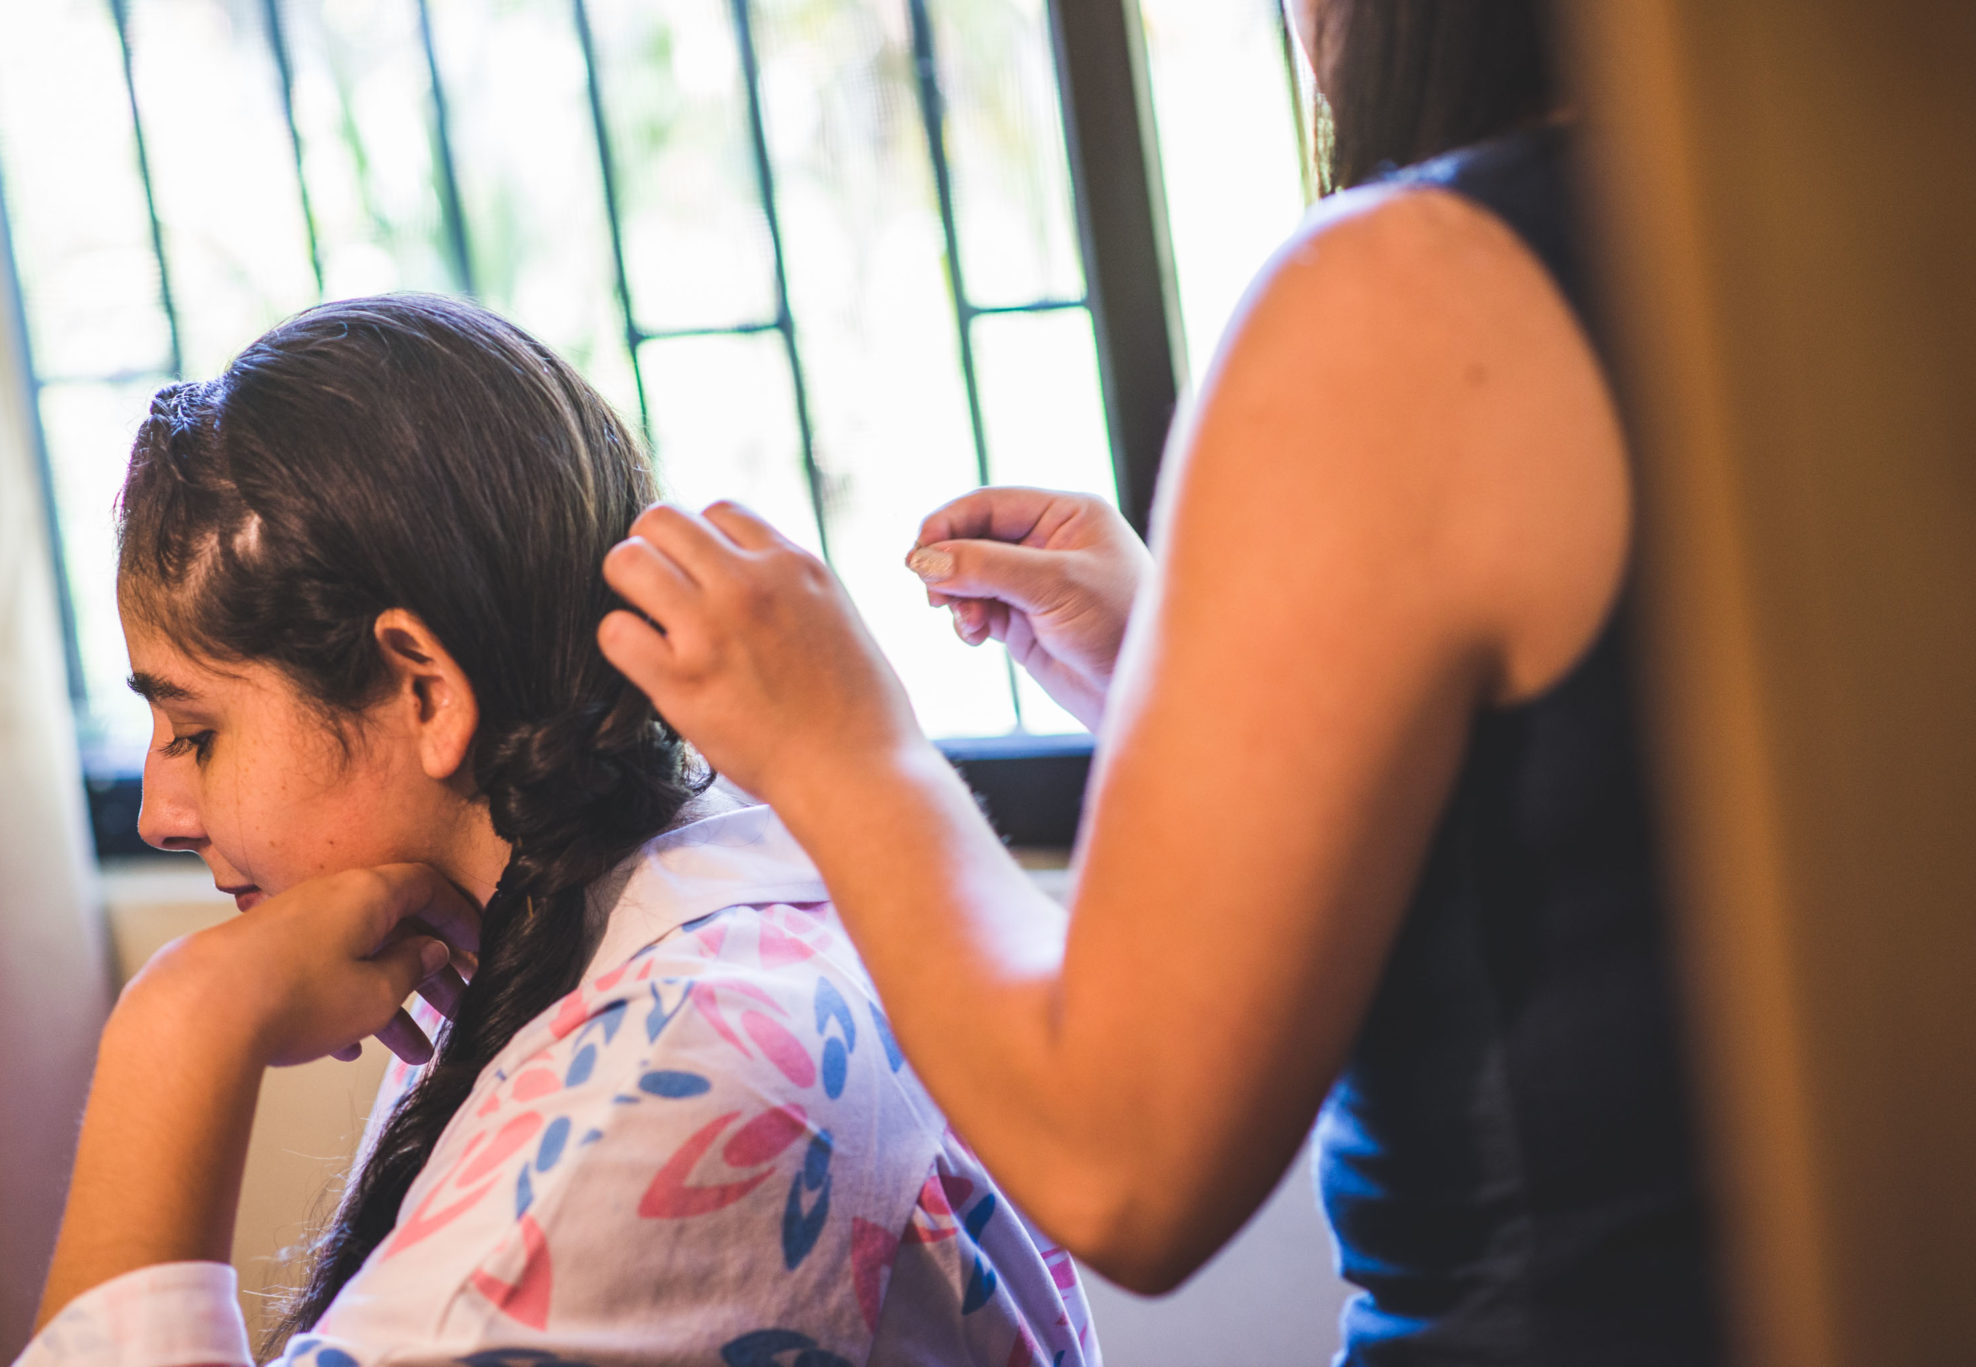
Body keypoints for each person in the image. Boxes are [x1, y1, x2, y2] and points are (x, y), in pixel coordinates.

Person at [588, 2, 1726, 1363]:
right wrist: (1204, 675)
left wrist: (848, 749)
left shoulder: (1412, 290)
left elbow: (1118, 1151)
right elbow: (1619, 817)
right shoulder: (1788, 233)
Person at [17, 295, 1098, 1367]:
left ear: (424, 691)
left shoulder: (660, 1100)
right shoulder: (674, 931)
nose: (161, 812)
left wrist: (176, 1033)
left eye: (195, 731)